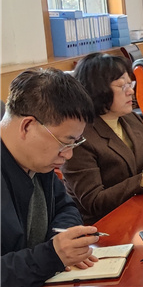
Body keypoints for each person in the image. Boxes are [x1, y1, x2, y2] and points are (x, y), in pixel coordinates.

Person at [1, 69, 100, 287]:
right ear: (27, 126)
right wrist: (51, 256)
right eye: (65, 142)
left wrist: (63, 241)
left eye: (75, 143)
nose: (68, 155)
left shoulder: (37, 162)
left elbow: (66, 207)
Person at [61, 53, 143, 224]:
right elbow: (94, 201)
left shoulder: (128, 118)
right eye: (122, 86)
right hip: (106, 224)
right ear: (97, 90)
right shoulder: (80, 136)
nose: (131, 91)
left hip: (140, 211)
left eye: (130, 83)